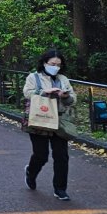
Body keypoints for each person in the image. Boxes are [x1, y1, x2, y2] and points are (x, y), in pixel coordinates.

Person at [23, 49, 77, 202]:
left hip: (58, 121)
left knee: (62, 156)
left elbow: (73, 98)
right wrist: (44, 91)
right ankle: (31, 172)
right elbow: (27, 93)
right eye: (52, 64)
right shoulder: (33, 77)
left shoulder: (63, 79)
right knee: (41, 155)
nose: (55, 67)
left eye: (58, 65)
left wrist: (65, 96)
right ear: (44, 63)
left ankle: (60, 189)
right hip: (39, 120)